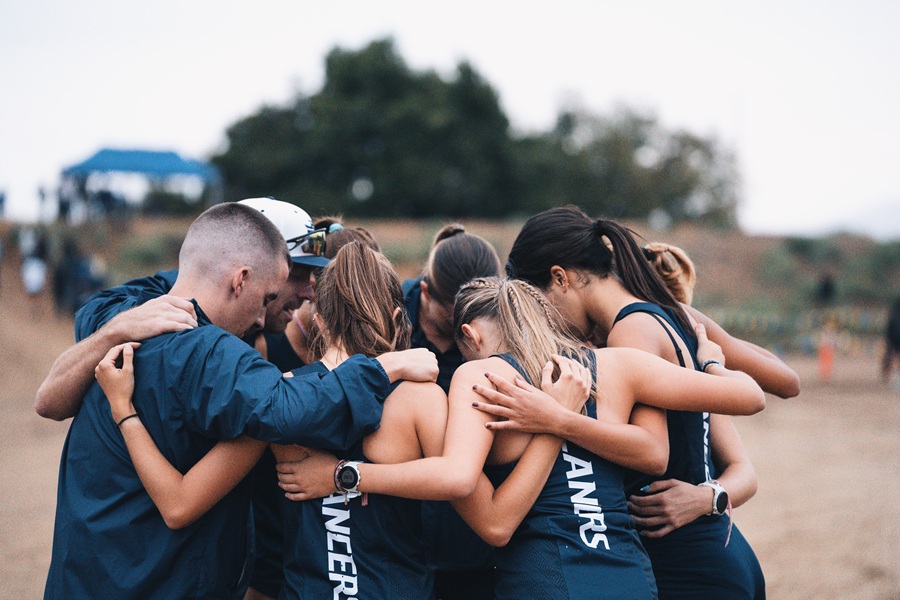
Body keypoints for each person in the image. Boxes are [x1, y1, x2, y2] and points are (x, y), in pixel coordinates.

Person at [93, 244, 587, 599]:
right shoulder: (421, 401)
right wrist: (557, 421)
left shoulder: (278, 399)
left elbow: (179, 505)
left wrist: (124, 410)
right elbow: (491, 518)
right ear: (399, 318)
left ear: (319, 319)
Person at [279, 276, 764, 599]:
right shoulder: (617, 366)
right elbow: (751, 395)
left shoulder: (481, 378)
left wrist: (346, 476)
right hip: (626, 577)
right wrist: (712, 360)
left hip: (542, 579)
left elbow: (492, 524)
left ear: (469, 335)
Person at [42, 202, 436, 599]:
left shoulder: (125, 313)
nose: (274, 311)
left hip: (81, 576)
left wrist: (114, 337)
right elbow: (286, 407)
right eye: (278, 287)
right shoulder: (214, 356)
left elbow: (48, 400)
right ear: (241, 278)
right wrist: (385, 368)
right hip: (157, 582)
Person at [502, 206, 769, 598]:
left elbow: (653, 452)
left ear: (559, 278)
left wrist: (557, 419)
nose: (546, 324)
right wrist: (710, 495)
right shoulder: (668, 316)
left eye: (540, 306)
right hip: (724, 551)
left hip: (689, 565)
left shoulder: (630, 334)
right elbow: (776, 388)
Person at [401, 223, 504, 599]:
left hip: (476, 541)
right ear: (425, 291)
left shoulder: (501, 321)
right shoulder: (388, 318)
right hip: (400, 530)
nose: (471, 328)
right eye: (456, 314)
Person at [882, 297, 900, 384]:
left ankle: (888, 376)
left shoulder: (893, 314)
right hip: (895, 339)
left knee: (890, 357)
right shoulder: (894, 314)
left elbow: (889, 328)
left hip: (892, 339)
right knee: (895, 358)